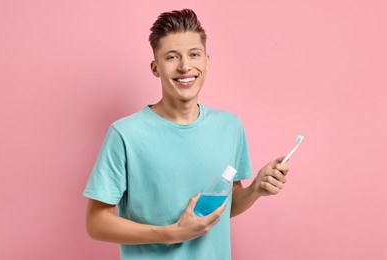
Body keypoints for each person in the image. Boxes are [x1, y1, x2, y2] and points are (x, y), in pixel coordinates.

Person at [83, 9, 289, 260]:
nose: (185, 66)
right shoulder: (125, 135)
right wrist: (172, 233)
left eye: (194, 54)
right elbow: (96, 222)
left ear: (206, 60)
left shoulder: (229, 126)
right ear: (155, 67)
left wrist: (255, 189)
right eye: (172, 57)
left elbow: (223, 207)